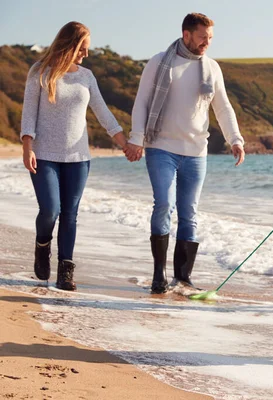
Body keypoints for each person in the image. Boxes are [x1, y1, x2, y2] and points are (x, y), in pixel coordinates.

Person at [128, 13, 245, 294]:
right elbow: (142, 101)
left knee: (189, 213)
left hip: (196, 150)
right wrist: (136, 138)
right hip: (161, 147)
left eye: (211, 38)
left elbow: (223, 107)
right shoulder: (159, 62)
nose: (207, 43)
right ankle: (159, 273)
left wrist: (235, 139)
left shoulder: (211, 68)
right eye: (203, 37)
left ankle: (183, 277)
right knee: (163, 205)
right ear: (187, 34)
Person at [20, 21, 133, 291]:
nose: (85, 53)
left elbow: (102, 113)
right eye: (82, 48)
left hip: (78, 157)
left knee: (70, 215)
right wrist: (27, 147)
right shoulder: (40, 72)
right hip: (44, 154)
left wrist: (124, 143)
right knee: (50, 210)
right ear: (68, 44)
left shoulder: (87, 76)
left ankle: (65, 272)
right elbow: (28, 113)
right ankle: (42, 244)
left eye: (87, 49)